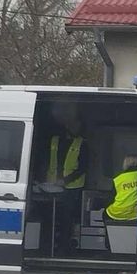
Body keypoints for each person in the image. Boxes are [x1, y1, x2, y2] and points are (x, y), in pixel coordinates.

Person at [41, 102, 87, 254]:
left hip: (72, 188)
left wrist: (65, 180)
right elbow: (46, 160)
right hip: (51, 187)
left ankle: (63, 249)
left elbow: (83, 167)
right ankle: (47, 247)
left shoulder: (82, 143)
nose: (76, 128)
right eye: (74, 125)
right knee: (49, 218)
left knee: (67, 220)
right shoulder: (54, 140)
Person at [106, 155, 137, 223]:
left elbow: (111, 197)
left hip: (118, 212)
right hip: (136, 212)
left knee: (105, 213)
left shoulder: (118, 179)